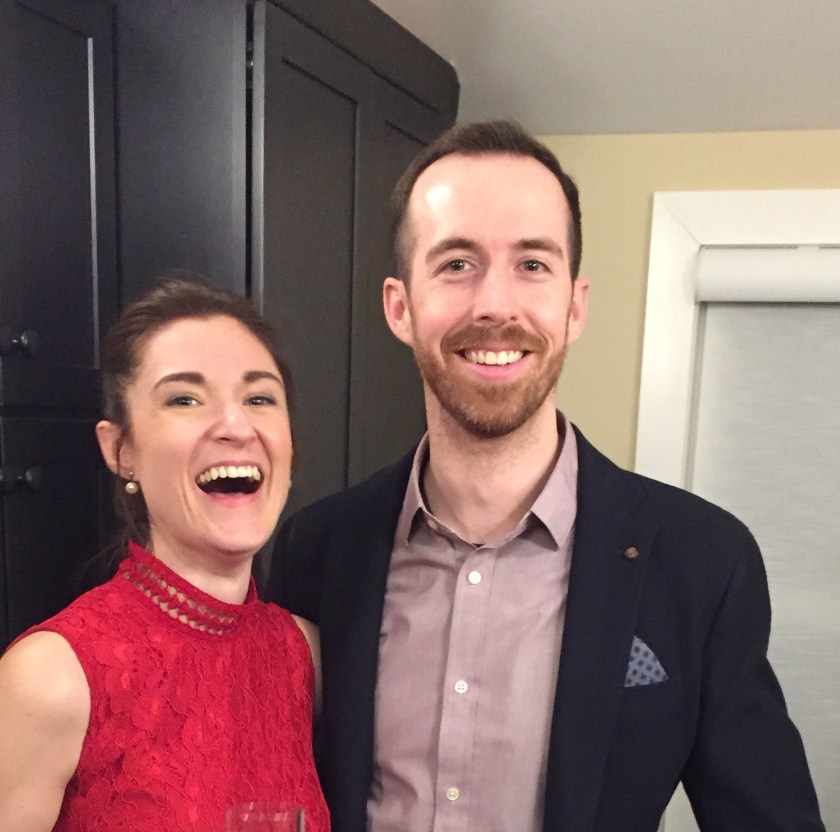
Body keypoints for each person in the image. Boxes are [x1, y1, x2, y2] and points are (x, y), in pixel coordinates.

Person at [267, 121, 824, 831]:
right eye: (457, 263)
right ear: (400, 307)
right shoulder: (317, 551)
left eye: (532, 264)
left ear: (575, 304)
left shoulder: (701, 562)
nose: (496, 305)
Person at [0, 279, 330, 831]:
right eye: (184, 399)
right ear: (120, 449)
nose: (235, 426)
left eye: (259, 398)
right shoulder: (50, 677)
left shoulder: (306, 657)